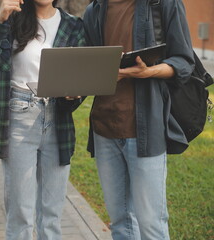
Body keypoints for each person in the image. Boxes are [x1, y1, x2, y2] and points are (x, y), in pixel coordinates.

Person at [0, 0, 85, 238]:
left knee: (51, 214)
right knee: (20, 213)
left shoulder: (73, 26)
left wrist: (75, 93)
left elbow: (80, 79)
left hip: (58, 118)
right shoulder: (10, 20)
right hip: (18, 115)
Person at [83, 0, 195, 239]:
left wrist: (148, 72)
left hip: (146, 129)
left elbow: (184, 62)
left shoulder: (163, 4)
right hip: (104, 129)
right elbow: (90, 65)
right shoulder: (95, 10)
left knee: (151, 224)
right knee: (120, 222)